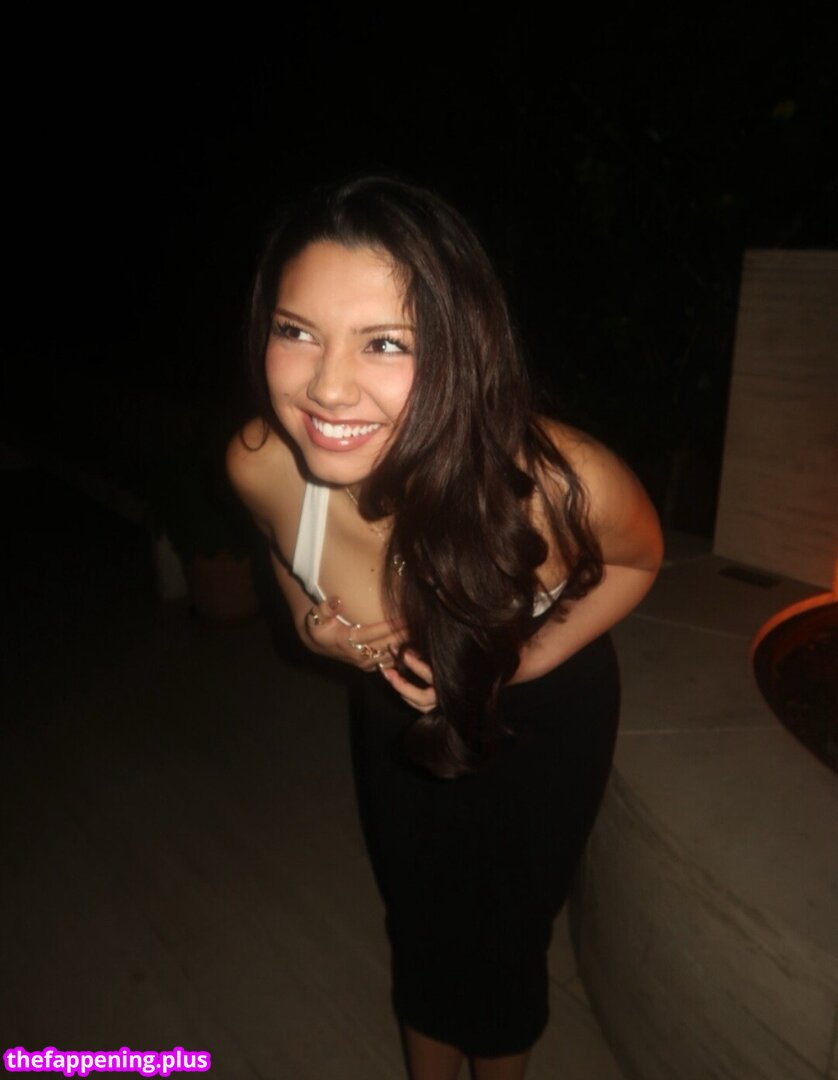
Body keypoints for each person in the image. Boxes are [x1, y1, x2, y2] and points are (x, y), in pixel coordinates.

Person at [227, 176, 663, 1080]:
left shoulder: (555, 482)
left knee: (508, 932)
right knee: (417, 913)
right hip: (393, 704)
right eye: (296, 331)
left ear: (463, 349)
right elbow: (284, 560)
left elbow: (638, 561)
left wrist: (528, 658)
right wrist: (312, 628)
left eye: (385, 343)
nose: (327, 388)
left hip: (540, 710)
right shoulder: (261, 462)